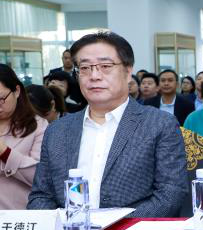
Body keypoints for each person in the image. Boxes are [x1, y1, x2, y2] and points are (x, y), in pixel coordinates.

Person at [28, 31, 188, 216]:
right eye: (85, 68)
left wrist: (112, 226)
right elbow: (41, 196)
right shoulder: (57, 130)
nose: (94, 76)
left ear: (127, 72)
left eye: (105, 66)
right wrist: (65, 226)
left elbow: (170, 194)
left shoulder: (159, 124)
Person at [0, 64, 48, 209]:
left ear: (17, 91)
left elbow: (42, 178)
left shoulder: (38, 126)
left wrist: (5, 152)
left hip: (20, 214)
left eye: (1, 99)